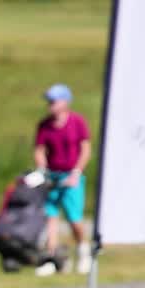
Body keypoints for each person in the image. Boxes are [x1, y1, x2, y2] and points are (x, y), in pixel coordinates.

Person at [34, 83, 93, 274]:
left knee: (74, 219)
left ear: (65, 102)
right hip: (53, 176)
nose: (50, 104)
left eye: (54, 100)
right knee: (50, 217)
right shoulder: (45, 125)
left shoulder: (77, 122)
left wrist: (76, 172)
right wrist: (42, 170)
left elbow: (85, 149)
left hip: (72, 175)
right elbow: (40, 150)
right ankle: (52, 258)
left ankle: (83, 250)